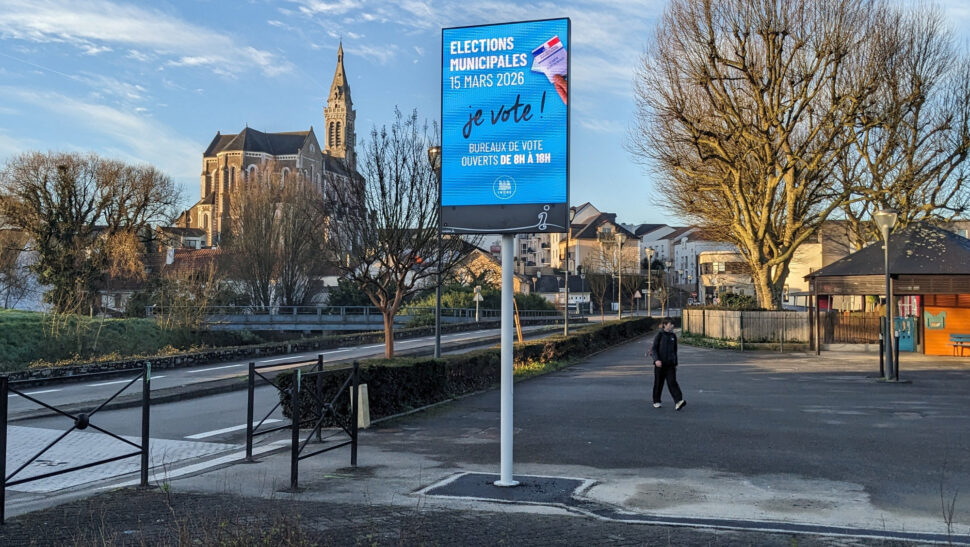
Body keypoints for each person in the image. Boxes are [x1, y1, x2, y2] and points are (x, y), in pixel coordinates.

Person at [649, 317, 686, 410]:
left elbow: (675, 350)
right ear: (665, 325)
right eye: (670, 324)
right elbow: (654, 349)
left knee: (672, 382)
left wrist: (675, 363)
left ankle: (678, 401)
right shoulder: (659, 335)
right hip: (660, 364)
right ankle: (656, 401)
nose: (672, 326)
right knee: (658, 383)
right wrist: (656, 360)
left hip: (670, 365)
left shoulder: (673, 336)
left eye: (673, 324)